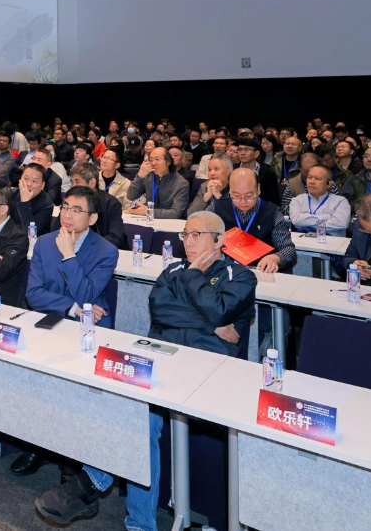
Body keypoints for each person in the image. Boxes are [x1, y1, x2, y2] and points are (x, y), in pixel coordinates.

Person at [35, 212, 257, 529]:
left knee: (143, 414)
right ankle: (136, 521)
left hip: (208, 369)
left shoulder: (241, 276)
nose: (188, 242)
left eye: (197, 235)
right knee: (131, 405)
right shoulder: (172, 270)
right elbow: (162, 311)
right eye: (185, 235)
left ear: (220, 240)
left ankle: (93, 485)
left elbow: (220, 309)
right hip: (164, 360)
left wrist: (196, 279)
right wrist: (211, 323)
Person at [26, 186, 118, 326]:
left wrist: (69, 255)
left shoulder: (106, 252)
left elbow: (87, 297)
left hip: (89, 323)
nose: (67, 215)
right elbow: (33, 294)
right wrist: (74, 308)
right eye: (65, 207)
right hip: (49, 318)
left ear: (92, 218)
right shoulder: (43, 243)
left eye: (76, 210)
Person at [211, 169, 297, 275]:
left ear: (258, 189)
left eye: (249, 195)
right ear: (230, 191)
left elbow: (288, 249)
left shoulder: (272, 213)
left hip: (259, 271)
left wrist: (276, 258)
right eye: (236, 195)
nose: (243, 201)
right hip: (222, 271)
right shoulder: (216, 208)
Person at [69, 162, 125, 249]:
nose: (73, 187)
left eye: (77, 182)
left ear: (92, 183)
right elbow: (57, 231)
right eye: (72, 182)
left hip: (103, 250)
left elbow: (115, 238)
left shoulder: (111, 204)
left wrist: (87, 246)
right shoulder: (69, 202)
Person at [126, 147, 189, 219]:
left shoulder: (181, 183)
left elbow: (176, 213)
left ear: (168, 162)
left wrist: (149, 211)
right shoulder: (148, 176)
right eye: (151, 159)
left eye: (157, 159)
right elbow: (131, 196)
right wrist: (140, 176)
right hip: (148, 220)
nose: (153, 163)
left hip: (170, 222)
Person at [288, 165, 351, 235]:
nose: (312, 181)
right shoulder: (297, 200)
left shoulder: (341, 201)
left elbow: (342, 223)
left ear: (328, 184)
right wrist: (327, 217)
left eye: (317, 178)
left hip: (332, 241)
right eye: (309, 177)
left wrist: (305, 221)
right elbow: (296, 220)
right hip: (302, 241)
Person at [230, 138, 281, 206]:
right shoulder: (232, 170)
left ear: (256, 154)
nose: (242, 153)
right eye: (240, 149)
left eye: (247, 150)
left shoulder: (268, 173)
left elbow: (274, 201)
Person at [13, 163, 56, 237]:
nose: (29, 184)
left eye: (34, 181)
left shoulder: (47, 205)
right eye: (26, 178)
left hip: (34, 242)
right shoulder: (12, 194)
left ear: (42, 186)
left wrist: (24, 202)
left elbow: (31, 233)